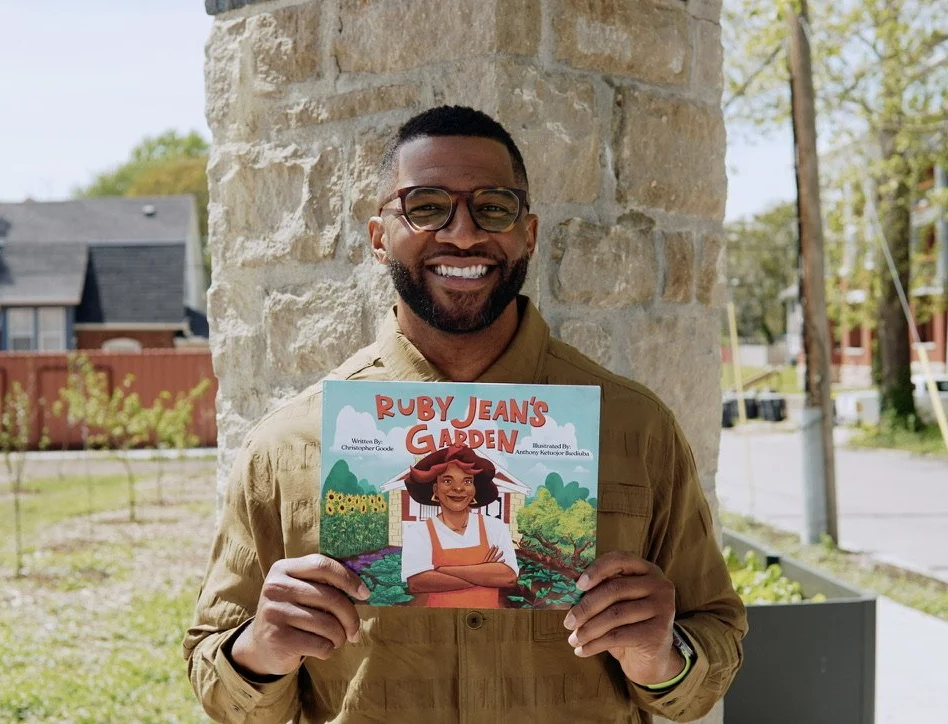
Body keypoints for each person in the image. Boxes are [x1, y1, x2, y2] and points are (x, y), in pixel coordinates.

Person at [184, 105, 747, 723]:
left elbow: (714, 640)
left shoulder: (636, 429)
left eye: (493, 207)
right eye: (426, 206)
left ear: (527, 233)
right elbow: (216, 681)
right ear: (378, 237)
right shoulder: (288, 445)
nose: (462, 234)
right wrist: (261, 649)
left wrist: (661, 657)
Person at [399, 444, 519, 608]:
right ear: (436, 488)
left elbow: (508, 577)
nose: (458, 488)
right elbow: (417, 583)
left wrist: (442, 570)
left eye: (467, 481)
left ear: (474, 489)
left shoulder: (495, 527)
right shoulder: (419, 532)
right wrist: (485, 574)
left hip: (491, 623)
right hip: (436, 623)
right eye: (447, 480)